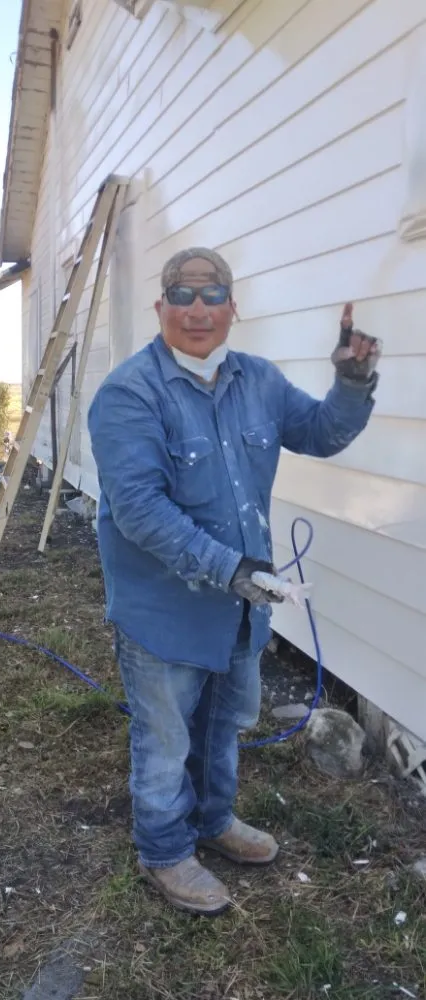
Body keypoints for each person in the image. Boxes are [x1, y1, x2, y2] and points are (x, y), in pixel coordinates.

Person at [88, 247, 381, 915]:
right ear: (160, 307)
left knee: (222, 727)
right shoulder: (130, 393)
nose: (198, 309)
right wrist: (231, 569)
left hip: (240, 609)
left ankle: (213, 821)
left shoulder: (259, 380)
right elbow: (139, 509)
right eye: (182, 295)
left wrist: (352, 380)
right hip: (164, 613)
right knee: (166, 739)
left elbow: (321, 432)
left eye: (212, 294)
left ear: (232, 307)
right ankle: (164, 850)